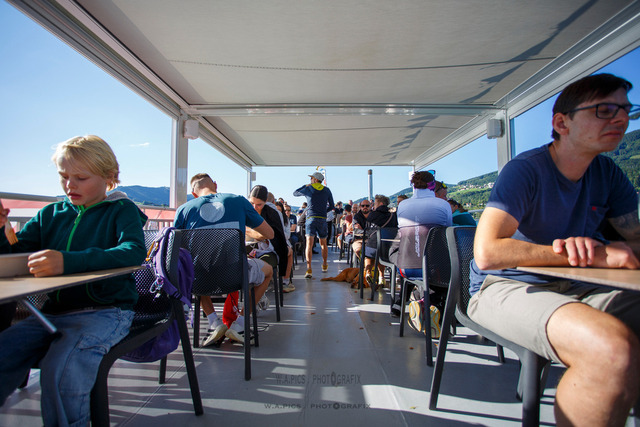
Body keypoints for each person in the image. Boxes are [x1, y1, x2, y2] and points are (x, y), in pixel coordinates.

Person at [470, 73, 640, 426]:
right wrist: (592, 254)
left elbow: (634, 241)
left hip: (581, 286)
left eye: (625, 109)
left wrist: (607, 250)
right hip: (506, 285)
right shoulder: (525, 170)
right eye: (605, 109)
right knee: (609, 349)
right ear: (562, 123)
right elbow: (486, 253)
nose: (621, 119)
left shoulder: (608, 174)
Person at [0, 135, 147, 426]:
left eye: (81, 178)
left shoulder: (122, 210)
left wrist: (67, 262)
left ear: (109, 177)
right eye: (64, 176)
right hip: (51, 314)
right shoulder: (49, 214)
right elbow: (16, 256)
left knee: (61, 369)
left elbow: (133, 251)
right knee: (4, 351)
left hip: (107, 311)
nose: (70, 185)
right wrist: (1, 230)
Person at [174, 173, 274, 345]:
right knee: (268, 271)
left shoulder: (183, 210)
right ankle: (240, 324)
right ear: (215, 184)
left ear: (194, 194)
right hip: (236, 276)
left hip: (200, 280)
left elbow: (175, 248)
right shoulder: (238, 201)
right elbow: (269, 234)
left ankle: (214, 322)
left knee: (194, 267)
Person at [393, 170, 452, 329]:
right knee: (444, 272)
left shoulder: (402, 205)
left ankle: (418, 301)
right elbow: (448, 231)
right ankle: (431, 308)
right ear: (432, 185)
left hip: (406, 267)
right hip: (433, 269)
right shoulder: (443, 205)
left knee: (422, 270)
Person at [250, 186, 294, 293]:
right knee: (288, 251)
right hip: (259, 248)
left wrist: (246, 230)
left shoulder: (270, 214)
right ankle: (285, 282)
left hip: (263, 247)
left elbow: (264, 235)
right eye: (252, 203)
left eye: (259, 204)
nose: (255, 207)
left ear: (265, 201)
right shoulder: (275, 213)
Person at [293, 171, 335, 278]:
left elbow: (295, 193)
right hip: (322, 219)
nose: (310, 180)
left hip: (311, 219)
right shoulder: (326, 190)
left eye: (311, 178)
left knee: (309, 244)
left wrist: (305, 185)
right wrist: (324, 211)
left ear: (315, 180)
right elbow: (332, 206)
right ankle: (324, 264)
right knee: (323, 244)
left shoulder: (308, 188)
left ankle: (309, 269)